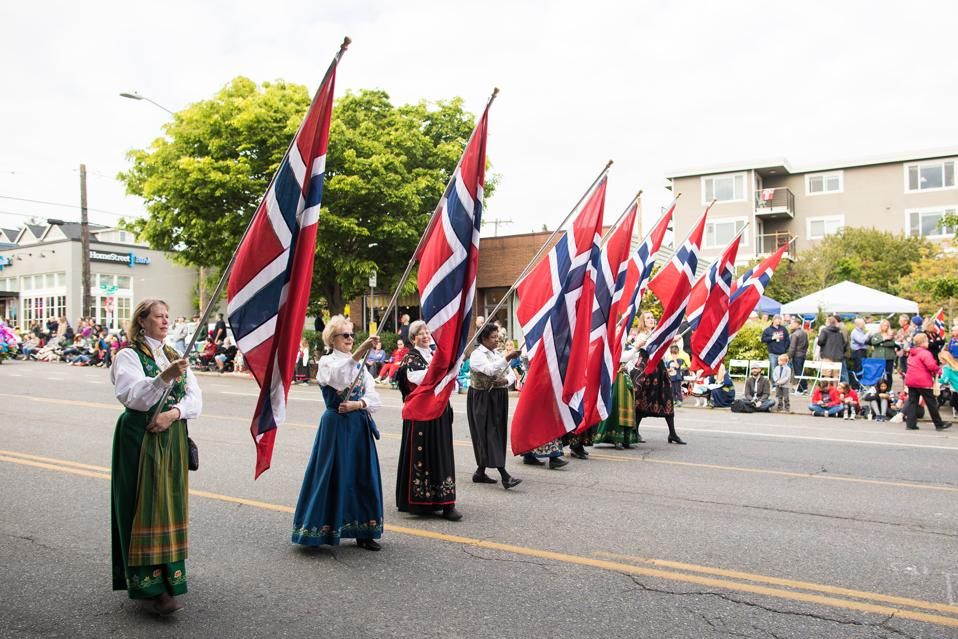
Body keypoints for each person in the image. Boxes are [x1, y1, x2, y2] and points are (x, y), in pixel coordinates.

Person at [110, 299, 202, 615]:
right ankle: (149, 585)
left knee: (170, 504)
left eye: (166, 315)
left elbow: (195, 399)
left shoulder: (174, 355)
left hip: (171, 433)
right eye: (158, 316)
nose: (165, 321)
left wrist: (173, 414)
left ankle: (171, 579)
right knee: (143, 505)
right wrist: (164, 378)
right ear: (142, 321)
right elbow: (133, 396)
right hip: (140, 435)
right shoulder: (128, 355)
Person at [291, 316, 384, 551]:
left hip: (358, 425)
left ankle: (364, 531)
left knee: (363, 476)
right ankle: (320, 530)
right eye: (345, 335)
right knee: (331, 475)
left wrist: (358, 404)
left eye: (352, 335)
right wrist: (359, 353)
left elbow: (374, 397)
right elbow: (337, 378)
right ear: (333, 339)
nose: (351, 339)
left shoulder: (361, 366)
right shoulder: (327, 362)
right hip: (336, 426)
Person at [395, 321, 462, 520]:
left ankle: (445, 500)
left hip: (439, 410)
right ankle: (422, 500)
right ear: (413, 338)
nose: (425, 336)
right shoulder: (411, 358)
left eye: (427, 332)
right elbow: (422, 379)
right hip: (421, 415)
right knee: (423, 457)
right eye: (420, 333)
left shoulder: (434, 355)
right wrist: (443, 367)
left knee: (441, 453)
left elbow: (446, 379)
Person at [466, 323, 522, 490]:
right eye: (493, 337)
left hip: (498, 396)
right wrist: (508, 357)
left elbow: (510, 375)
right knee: (489, 434)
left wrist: (506, 380)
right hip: (483, 397)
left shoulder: (496, 353)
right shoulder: (477, 355)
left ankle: (480, 472)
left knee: (496, 432)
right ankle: (505, 475)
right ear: (484, 339)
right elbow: (490, 371)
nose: (497, 340)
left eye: (497, 337)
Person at [631, 311, 686, 445]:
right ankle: (635, 431)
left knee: (667, 397)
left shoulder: (656, 333)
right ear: (643, 321)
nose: (651, 319)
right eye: (648, 318)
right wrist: (669, 340)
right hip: (646, 369)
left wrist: (673, 340)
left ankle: (672, 433)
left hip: (659, 369)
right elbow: (650, 347)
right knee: (641, 399)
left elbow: (661, 344)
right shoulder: (642, 335)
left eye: (652, 317)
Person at [594, 344, 642, 448]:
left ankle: (626, 438)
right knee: (616, 407)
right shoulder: (610, 343)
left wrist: (627, 365)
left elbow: (630, 360)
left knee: (628, 408)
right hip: (615, 381)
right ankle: (616, 438)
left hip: (624, 379)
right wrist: (636, 348)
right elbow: (620, 356)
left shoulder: (623, 343)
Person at [903, 333, 952, 431]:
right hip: (922, 381)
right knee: (931, 402)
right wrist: (938, 370)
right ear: (922, 342)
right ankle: (938, 423)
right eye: (927, 341)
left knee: (913, 402)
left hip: (911, 381)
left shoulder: (912, 353)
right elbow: (931, 365)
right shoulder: (925, 353)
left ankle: (910, 424)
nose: (928, 343)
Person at [869, 319, 898, 383]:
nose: (886, 327)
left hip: (889, 357)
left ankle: (889, 388)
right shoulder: (876, 334)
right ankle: (878, 388)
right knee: (878, 373)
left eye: (887, 325)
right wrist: (884, 339)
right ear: (881, 326)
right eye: (884, 325)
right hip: (878, 357)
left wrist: (881, 343)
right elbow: (873, 342)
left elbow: (892, 344)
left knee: (888, 374)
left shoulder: (891, 334)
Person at [787, 319, 809, 394]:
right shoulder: (804, 333)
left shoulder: (795, 334)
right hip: (802, 354)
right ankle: (804, 387)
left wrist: (789, 357)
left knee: (798, 372)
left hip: (796, 355)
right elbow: (807, 344)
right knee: (802, 372)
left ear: (797, 324)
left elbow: (792, 347)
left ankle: (800, 389)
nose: (791, 325)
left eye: (792, 324)